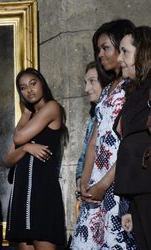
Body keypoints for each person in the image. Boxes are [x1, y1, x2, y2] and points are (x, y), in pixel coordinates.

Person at [71, 19, 136, 249]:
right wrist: (87, 183)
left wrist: (104, 185)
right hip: (95, 187)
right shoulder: (107, 89)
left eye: (105, 47)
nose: (100, 54)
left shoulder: (132, 88)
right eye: (98, 49)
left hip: (118, 184)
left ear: (121, 48)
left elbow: (131, 146)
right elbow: (93, 143)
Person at [4, 68, 68, 250]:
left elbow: (18, 137)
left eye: (33, 83)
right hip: (22, 192)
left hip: (42, 192)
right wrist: (26, 148)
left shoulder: (52, 107)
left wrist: (22, 142)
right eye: (23, 88)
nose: (29, 90)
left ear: (42, 83)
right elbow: (9, 159)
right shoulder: (29, 117)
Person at [115, 26, 151, 250]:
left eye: (125, 51)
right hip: (136, 187)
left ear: (143, 53)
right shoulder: (136, 90)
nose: (119, 59)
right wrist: (126, 207)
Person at [75, 61, 104, 198]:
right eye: (85, 82)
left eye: (92, 81)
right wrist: (80, 181)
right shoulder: (93, 120)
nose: (86, 89)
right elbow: (84, 155)